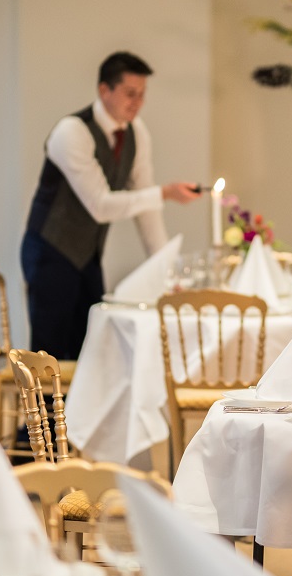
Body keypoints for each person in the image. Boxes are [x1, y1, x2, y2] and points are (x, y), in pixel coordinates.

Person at [21, 51, 200, 360]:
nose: (138, 103)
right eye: (130, 93)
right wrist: (166, 193)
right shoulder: (71, 132)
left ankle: (78, 410)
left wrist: (165, 270)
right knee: (50, 351)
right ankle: (46, 411)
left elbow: (145, 207)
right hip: (50, 251)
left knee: (90, 349)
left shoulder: (137, 133)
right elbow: (101, 205)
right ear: (104, 90)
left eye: (142, 95)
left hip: (88, 256)